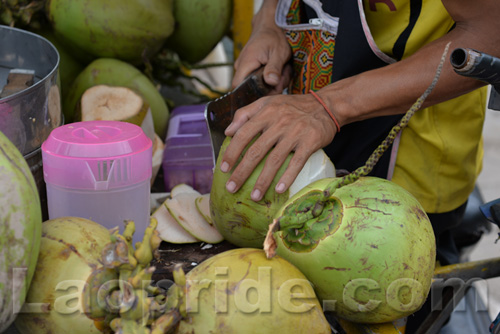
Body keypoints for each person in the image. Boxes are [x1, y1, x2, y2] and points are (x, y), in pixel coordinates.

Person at [219, 0, 500, 330]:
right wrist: (271, 21)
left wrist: (329, 106)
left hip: (405, 171)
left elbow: (490, 34)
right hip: (310, 136)